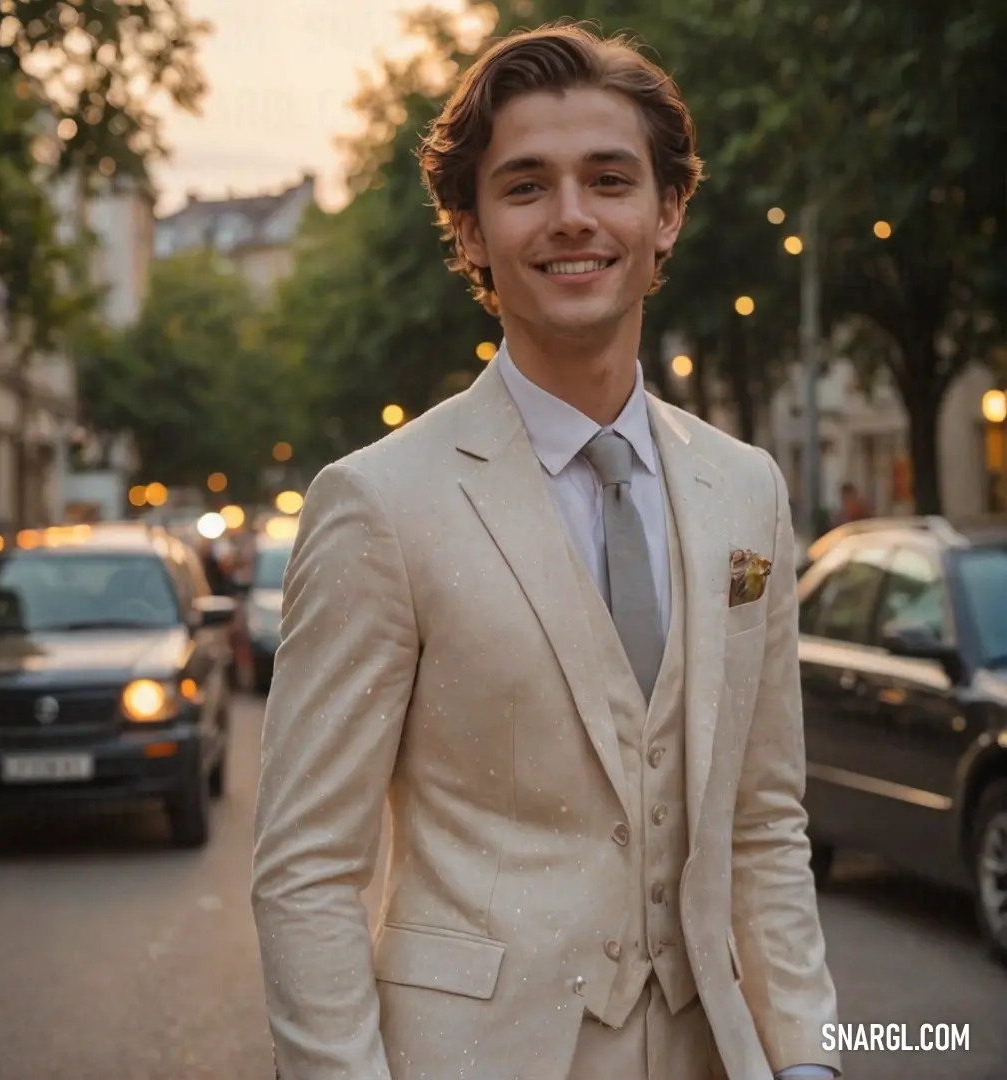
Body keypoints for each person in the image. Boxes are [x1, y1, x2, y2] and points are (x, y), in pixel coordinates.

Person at [252, 22, 840, 1080]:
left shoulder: (747, 488)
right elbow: (306, 871)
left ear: (666, 216)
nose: (573, 217)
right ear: (471, 231)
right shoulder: (376, 503)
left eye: (609, 180)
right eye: (525, 187)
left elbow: (762, 822)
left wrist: (806, 1056)